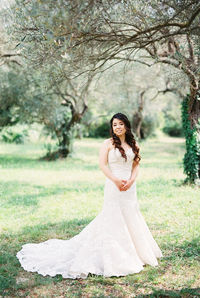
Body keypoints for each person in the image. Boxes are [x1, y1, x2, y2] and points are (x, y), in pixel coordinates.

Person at [16, 113, 163, 279]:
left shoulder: (134, 144)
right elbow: (102, 164)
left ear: (126, 126)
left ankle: (137, 252)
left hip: (130, 187)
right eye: (114, 125)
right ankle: (115, 256)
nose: (118, 127)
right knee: (113, 218)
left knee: (131, 215)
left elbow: (136, 165)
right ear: (112, 127)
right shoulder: (107, 144)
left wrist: (131, 180)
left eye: (120, 124)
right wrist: (115, 180)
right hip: (114, 185)